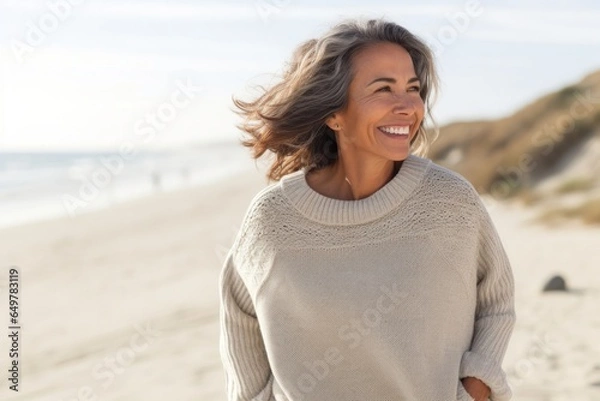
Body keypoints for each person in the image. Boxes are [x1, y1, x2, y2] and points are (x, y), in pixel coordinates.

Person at [219, 18, 516, 401]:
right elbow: (241, 323)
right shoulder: (272, 220)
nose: (409, 106)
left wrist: (474, 391)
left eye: (413, 88)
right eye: (383, 89)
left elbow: (496, 301)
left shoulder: (449, 200)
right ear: (333, 114)